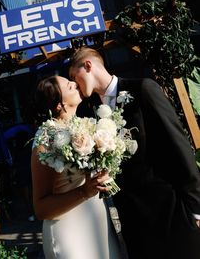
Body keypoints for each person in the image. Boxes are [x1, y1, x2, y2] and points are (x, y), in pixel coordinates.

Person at [69, 46, 200, 259]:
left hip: (170, 211)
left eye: (75, 76)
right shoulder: (89, 112)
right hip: (133, 221)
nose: (75, 84)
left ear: (88, 65)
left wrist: (195, 207)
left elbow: (178, 144)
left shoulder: (143, 89)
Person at [31, 75, 126, 259]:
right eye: (69, 85)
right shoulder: (45, 139)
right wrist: (84, 192)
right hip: (68, 231)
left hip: (96, 223)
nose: (75, 84)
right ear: (60, 105)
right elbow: (41, 208)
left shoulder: (83, 126)